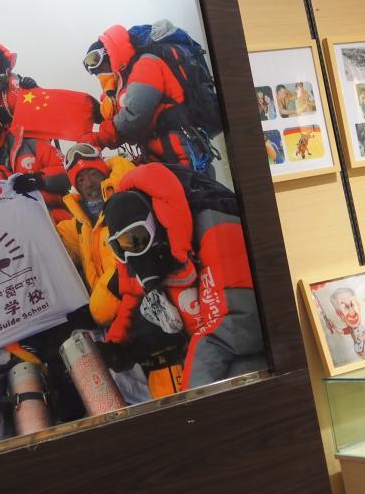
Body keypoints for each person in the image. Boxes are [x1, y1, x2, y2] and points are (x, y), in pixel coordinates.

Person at [99, 163, 265, 393]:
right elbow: (131, 296)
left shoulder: (215, 229)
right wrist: (117, 344)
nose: (132, 251)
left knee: (239, 372)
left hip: (254, 354)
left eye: (137, 238)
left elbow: (236, 325)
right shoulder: (145, 256)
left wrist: (193, 399)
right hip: (204, 357)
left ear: (156, 222)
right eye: (120, 247)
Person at [81, 23, 220, 171]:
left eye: (100, 66)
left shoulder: (146, 64)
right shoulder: (130, 78)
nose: (100, 74)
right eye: (96, 73)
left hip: (179, 154)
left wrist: (98, 139)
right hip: (165, 154)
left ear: (109, 53)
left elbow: (135, 114)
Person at [55, 143, 135, 326]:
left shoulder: (127, 199)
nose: (88, 184)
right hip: (111, 316)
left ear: (104, 173)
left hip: (134, 304)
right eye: (81, 180)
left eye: (93, 174)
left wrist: (97, 309)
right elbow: (49, 246)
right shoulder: (80, 223)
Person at [0, 112, 70, 223]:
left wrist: (38, 179)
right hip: (12, 226)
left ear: (0, 126)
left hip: (55, 216)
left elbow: (68, 171)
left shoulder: (31, 144)